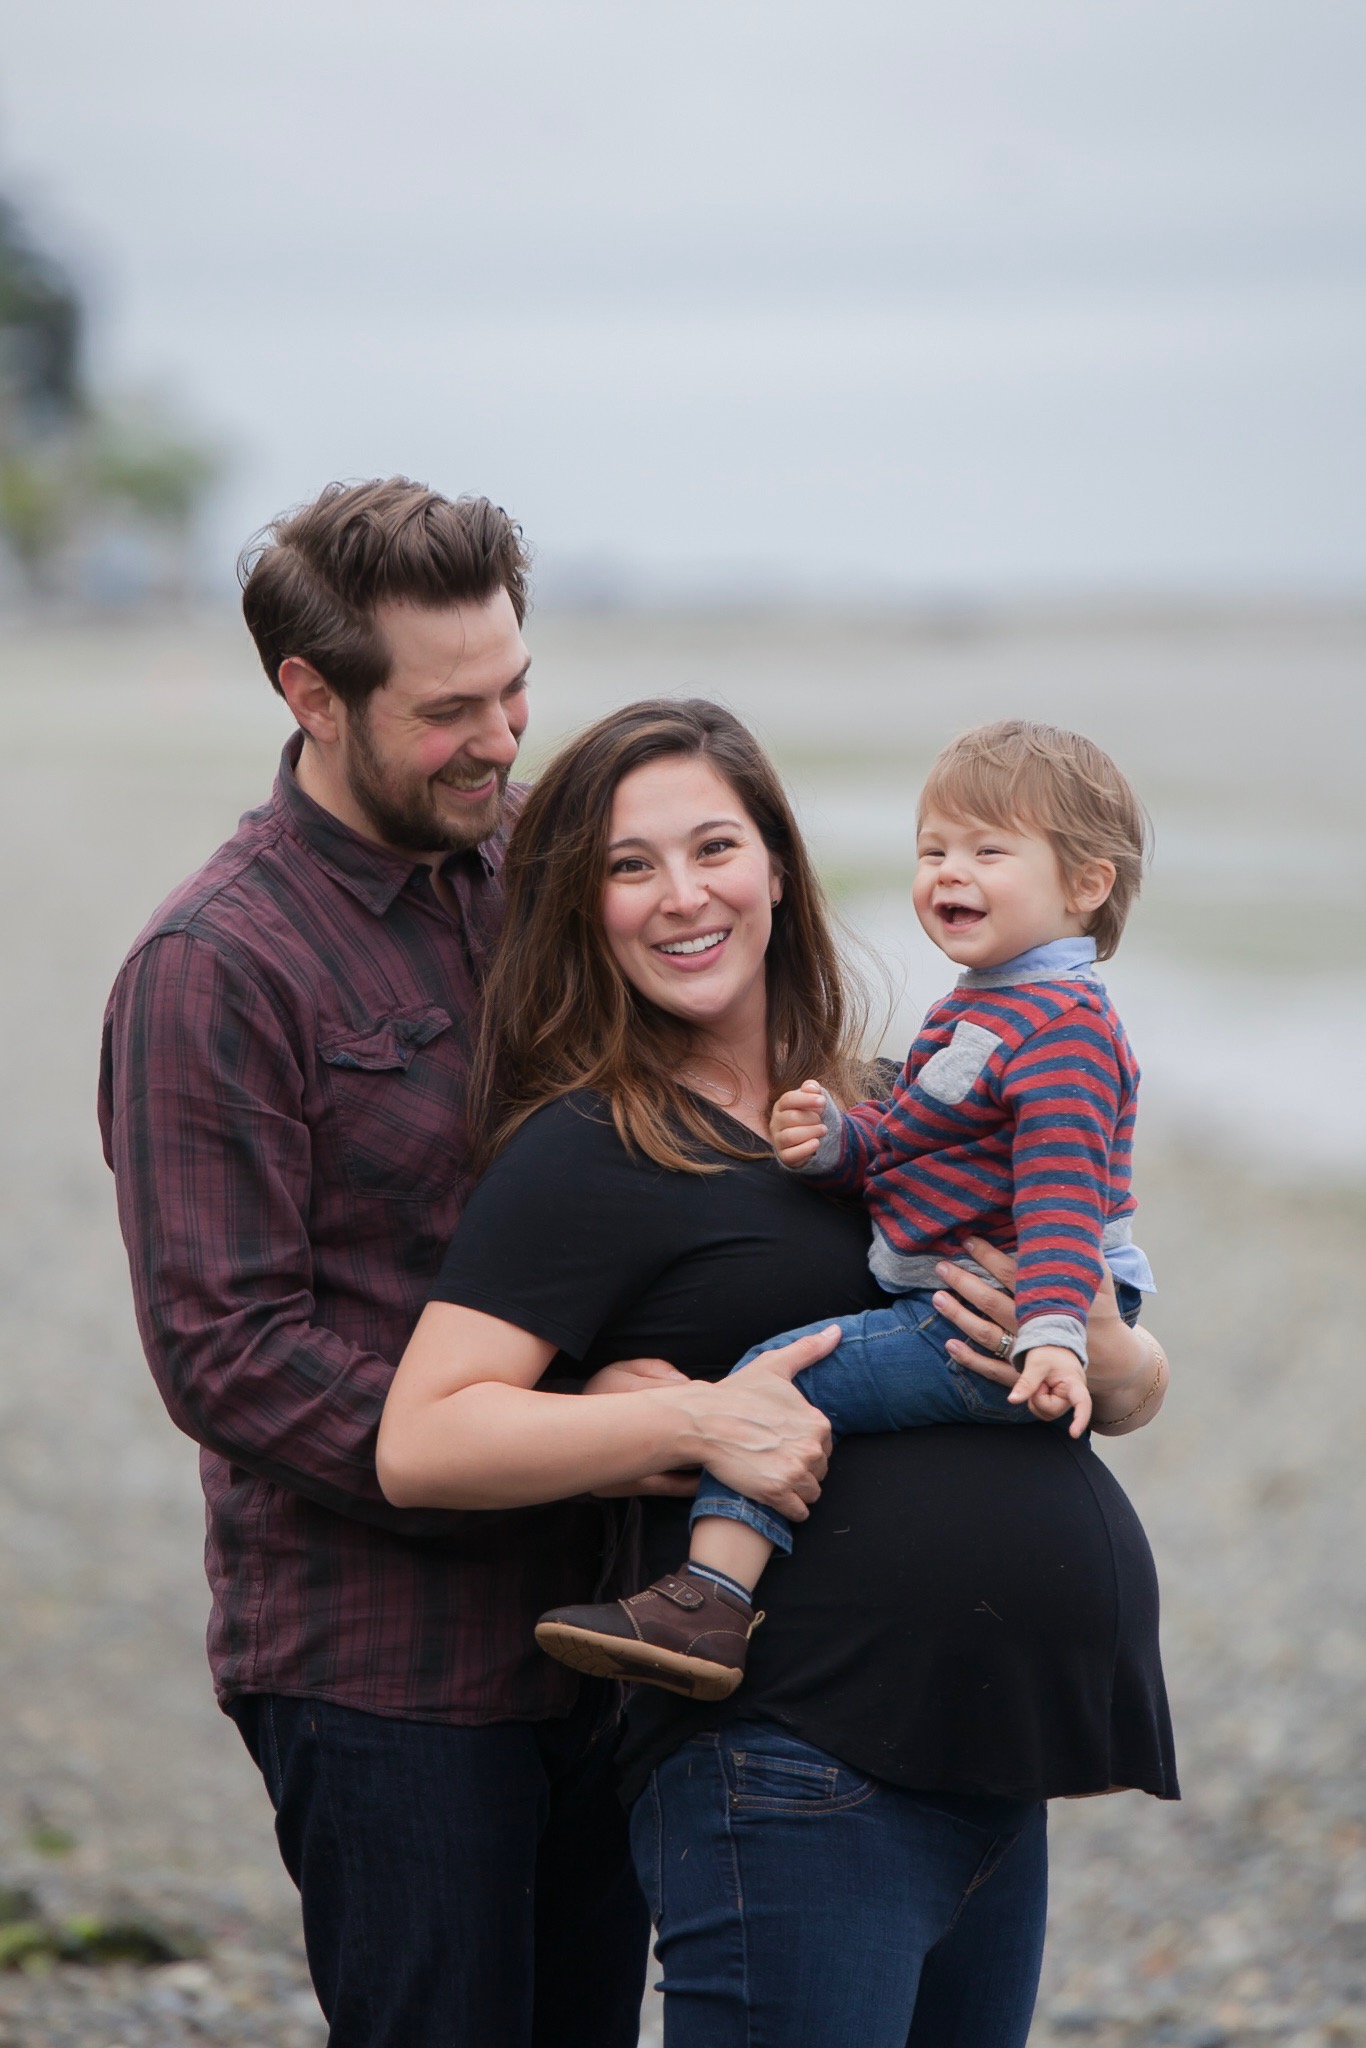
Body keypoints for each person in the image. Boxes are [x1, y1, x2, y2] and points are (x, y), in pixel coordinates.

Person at [97, 480, 844, 2048]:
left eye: (514, 685)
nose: (504, 739)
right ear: (311, 695)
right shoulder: (214, 967)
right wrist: (589, 1430)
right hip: (381, 1665)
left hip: (616, 1628)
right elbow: (228, 1353)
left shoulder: (544, 875)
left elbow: (689, 1123)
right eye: (450, 711)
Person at [378, 696, 1178, 2048]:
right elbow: (424, 1439)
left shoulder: (879, 1108)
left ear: (778, 868)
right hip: (795, 1771)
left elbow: (1114, 1351)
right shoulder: (590, 1149)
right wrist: (691, 1415)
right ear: (584, 908)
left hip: (999, 1767)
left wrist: (1112, 1354)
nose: (681, 896)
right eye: (630, 867)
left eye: (713, 847)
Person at [536, 718, 1158, 1701]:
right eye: (932, 849)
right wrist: (837, 1144)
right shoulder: (983, 1010)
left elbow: (1061, 1198)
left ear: (1085, 883)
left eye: (988, 849)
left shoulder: (1063, 1030)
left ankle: (705, 1600)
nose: (950, 871)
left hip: (999, 1324)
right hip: (888, 1677)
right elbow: (909, 1136)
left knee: (771, 1384)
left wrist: (1056, 1337)